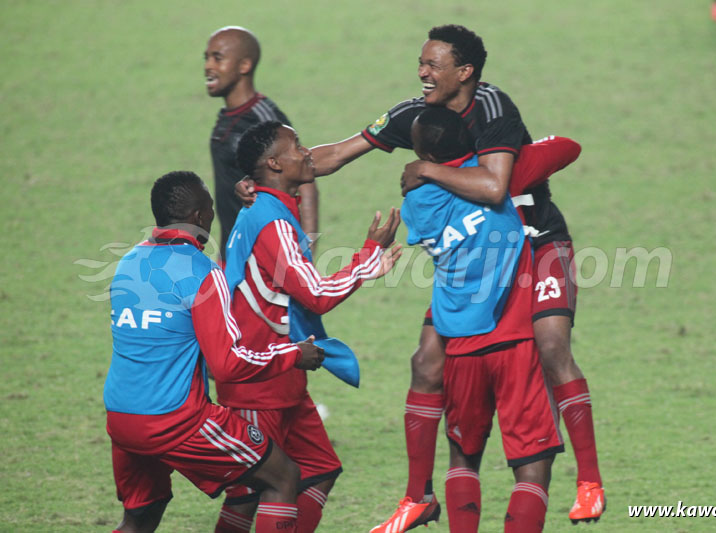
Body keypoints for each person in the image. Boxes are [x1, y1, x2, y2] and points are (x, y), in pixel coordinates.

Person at [237, 24, 604, 526]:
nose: (422, 73)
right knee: (426, 363)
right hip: (475, 256)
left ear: (465, 72)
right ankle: (417, 496)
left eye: (433, 65)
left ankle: (588, 483)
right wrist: (264, 177)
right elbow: (338, 154)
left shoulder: (493, 109)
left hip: (532, 238)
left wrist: (428, 172)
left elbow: (495, 187)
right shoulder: (414, 114)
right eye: (421, 62)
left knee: (552, 345)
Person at [373, 107, 563, 533]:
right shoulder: (498, 179)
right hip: (515, 342)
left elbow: (428, 217)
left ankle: (421, 499)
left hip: (459, 345)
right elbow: (568, 148)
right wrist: (497, 166)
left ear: (422, 155)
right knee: (532, 465)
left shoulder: (417, 202)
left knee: (463, 456)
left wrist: (426, 170)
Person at [104, 171, 326, 533]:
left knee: (142, 515)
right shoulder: (203, 272)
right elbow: (227, 364)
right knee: (282, 477)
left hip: (121, 417)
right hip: (175, 419)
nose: (212, 214)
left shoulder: (128, 262)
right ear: (199, 218)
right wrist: (293, 356)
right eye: (209, 208)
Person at [213, 121, 403, 533]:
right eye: (297, 146)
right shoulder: (272, 222)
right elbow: (314, 293)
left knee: (318, 469)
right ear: (275, 163)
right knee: (251, 492)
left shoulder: (269, 210)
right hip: (258, 379)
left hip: (284, 374)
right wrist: (368, 255)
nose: (307, 152)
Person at [205, 26, 318, 262]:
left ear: (244, 66)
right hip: (234, 255)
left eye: (218, 58)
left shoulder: (263, 119)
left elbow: (305, 183)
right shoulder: (227, 117)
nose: (208, 66)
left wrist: (306, 254)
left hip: (265, 259)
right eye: (207, 58)